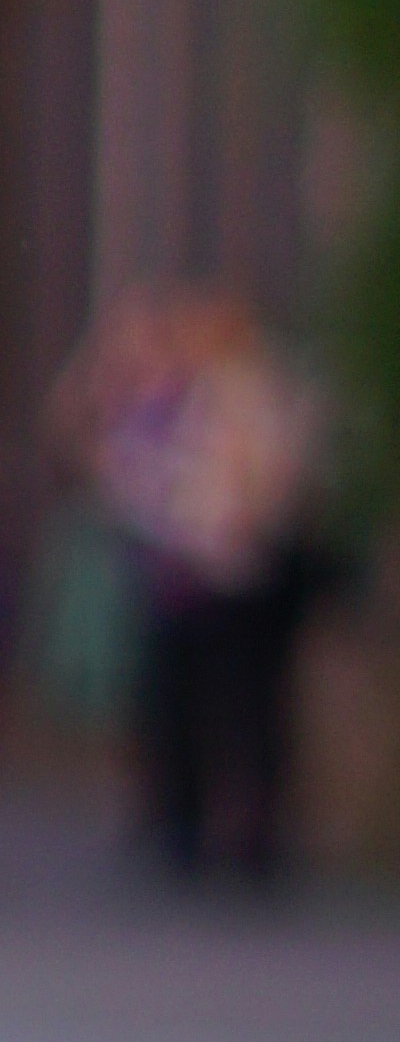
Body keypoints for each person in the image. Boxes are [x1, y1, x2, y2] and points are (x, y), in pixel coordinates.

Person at [54, 287, 331, 884]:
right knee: (208, 702)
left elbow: (259, 484)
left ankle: (228, 829)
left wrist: (225, 526)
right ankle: (204, 824)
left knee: (231, 704)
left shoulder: (244, 396)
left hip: (230, 568)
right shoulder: (202, 395)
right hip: (194, 567)